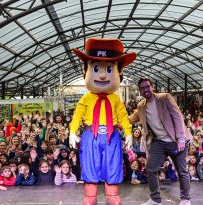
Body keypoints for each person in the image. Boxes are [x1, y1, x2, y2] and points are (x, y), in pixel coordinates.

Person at [69, 38, 136, 204]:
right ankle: (90, 196)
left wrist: (128, 133)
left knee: (112, 164)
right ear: (86, 70)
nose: (102, 75)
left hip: (111, 135)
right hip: (90, 134)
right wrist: (72, 131)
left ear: (119, 72)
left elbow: (122, 116)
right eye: (96, 68)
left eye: (109, 69)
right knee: (90, 164)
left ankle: (112, 195)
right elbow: (77, 115)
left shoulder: (115, 99)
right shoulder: (85, 98)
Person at [129, 77, 191, 205]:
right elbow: (131, 119)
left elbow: (177, 116)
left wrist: (180, 138)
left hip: (176, 140)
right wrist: (114, 114)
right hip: (159, 142)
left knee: (182, 171)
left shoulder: (165, 98)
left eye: (147, 86)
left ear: (152, 87)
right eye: (142, 88)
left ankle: (185, 199)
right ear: (140, 91)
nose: (145, 89)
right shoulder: (141, 106)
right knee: (151, 168)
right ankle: (155, 199)